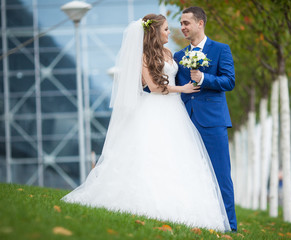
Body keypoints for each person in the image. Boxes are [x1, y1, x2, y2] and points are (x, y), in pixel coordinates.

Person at [61, 14, 231, 232]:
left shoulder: (170, 53)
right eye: (167, 29)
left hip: (174, 111)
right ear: (155, 32)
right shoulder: (143, 56)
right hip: (154, 108)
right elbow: (153, 88)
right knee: (152, 154)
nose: (171, 32)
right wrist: (183, 89)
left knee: (177, 157)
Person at [174, 6, 237, 231]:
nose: (182, 27)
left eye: (186, 23)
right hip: (186, 123)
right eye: (181, 24)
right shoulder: (178, 56)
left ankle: (229, 225)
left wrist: (204, 78)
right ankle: (196, 221)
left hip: (213, 121)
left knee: (221, 174)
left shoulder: (221, 50)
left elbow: (229, 81)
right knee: (191, 173)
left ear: (200, 23)